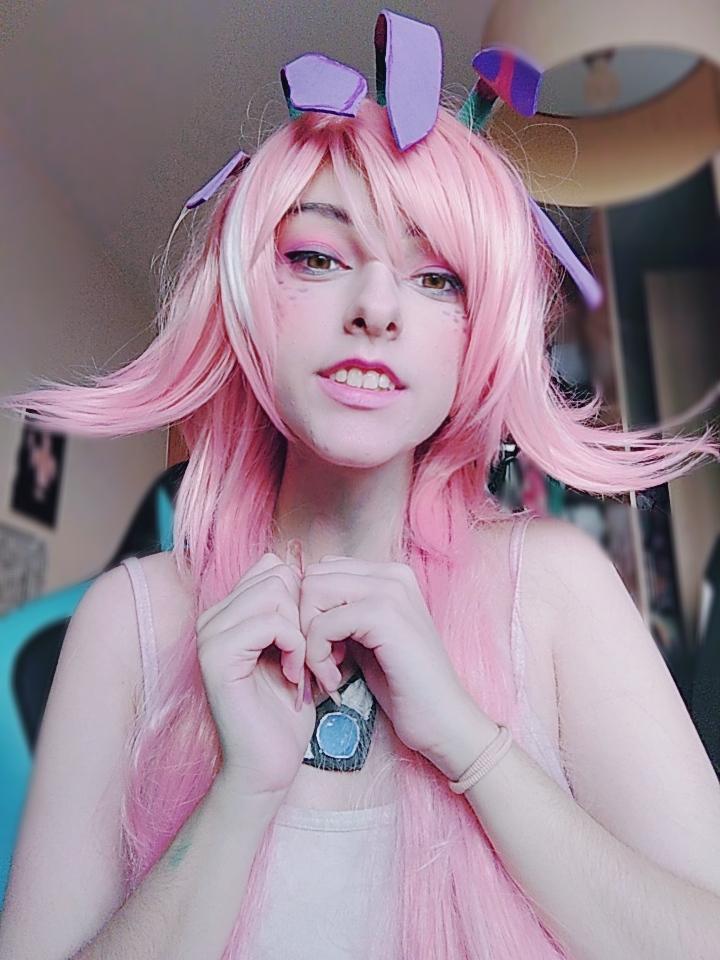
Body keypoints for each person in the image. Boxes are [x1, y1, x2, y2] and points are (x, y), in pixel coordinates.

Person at [1, 11, 720, 960]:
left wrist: (468, 742)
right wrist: (239, 796)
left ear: (478, 334)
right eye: (317, 257)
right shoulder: (128, 624)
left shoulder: (554, 588)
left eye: (438, 278)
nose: (377, 308)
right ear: (252, 300)